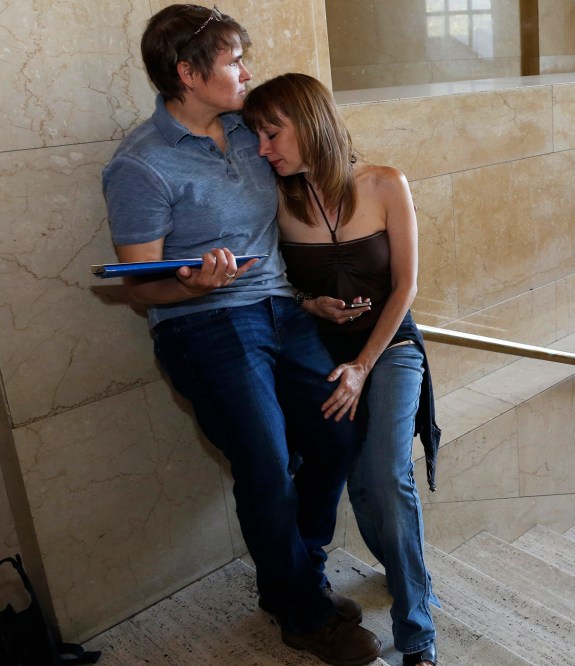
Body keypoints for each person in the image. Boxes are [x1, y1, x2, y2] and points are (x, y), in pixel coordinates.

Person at [101, 6, 381, 665]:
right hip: (204, 326)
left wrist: (317, 295)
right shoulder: (140, 167)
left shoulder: (248, 131)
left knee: (337, 430)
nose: (247, 72)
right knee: (265, 463)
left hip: (283, 311)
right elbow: (140, 286)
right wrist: (194, 286)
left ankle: (296, 568)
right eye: (233, 61)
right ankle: (302, 612)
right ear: (189, 73)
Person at [243, 73, 441, 666]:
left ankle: (417, 633)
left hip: (390, 347)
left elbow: (405, 285)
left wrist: (361, 364)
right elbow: (270, 282)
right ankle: (319, 580)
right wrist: (309, 305)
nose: (263, 148)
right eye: (255, 134)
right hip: (316, 354)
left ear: (309, 124)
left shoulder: (384, 183)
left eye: (272, 133)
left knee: (385, 473)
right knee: (338, 466)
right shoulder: (277, 197)